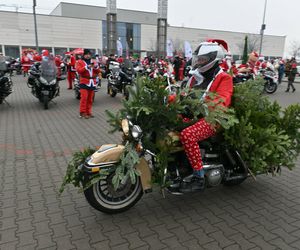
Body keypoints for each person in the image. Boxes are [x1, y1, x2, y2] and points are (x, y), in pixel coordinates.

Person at [179, 40, 233, 192]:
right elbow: (183, 95)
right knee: (169, 124)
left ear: (212, 59)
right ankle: (181, 165)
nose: (199, 62)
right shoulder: (195, 77)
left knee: (187, 135)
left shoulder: (223, 78)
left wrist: (200, 105)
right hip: (194, 115)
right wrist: (169, 99)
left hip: (213, 118)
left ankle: (199, 177)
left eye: (202, 59)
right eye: (199, 59)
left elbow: (223, 100)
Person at [76, 49, 100, 118]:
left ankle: (88, 112)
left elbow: (98, 71)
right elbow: (79, 70)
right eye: (86, 54)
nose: (88, 56)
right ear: (84, 55)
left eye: (89, 54)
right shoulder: (79, 62)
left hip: (92, 82)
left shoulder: (93, 61)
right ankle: (82, 112)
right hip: (84, 81)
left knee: (90, 99)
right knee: (84, 98)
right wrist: (86, 67)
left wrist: (96, 67)